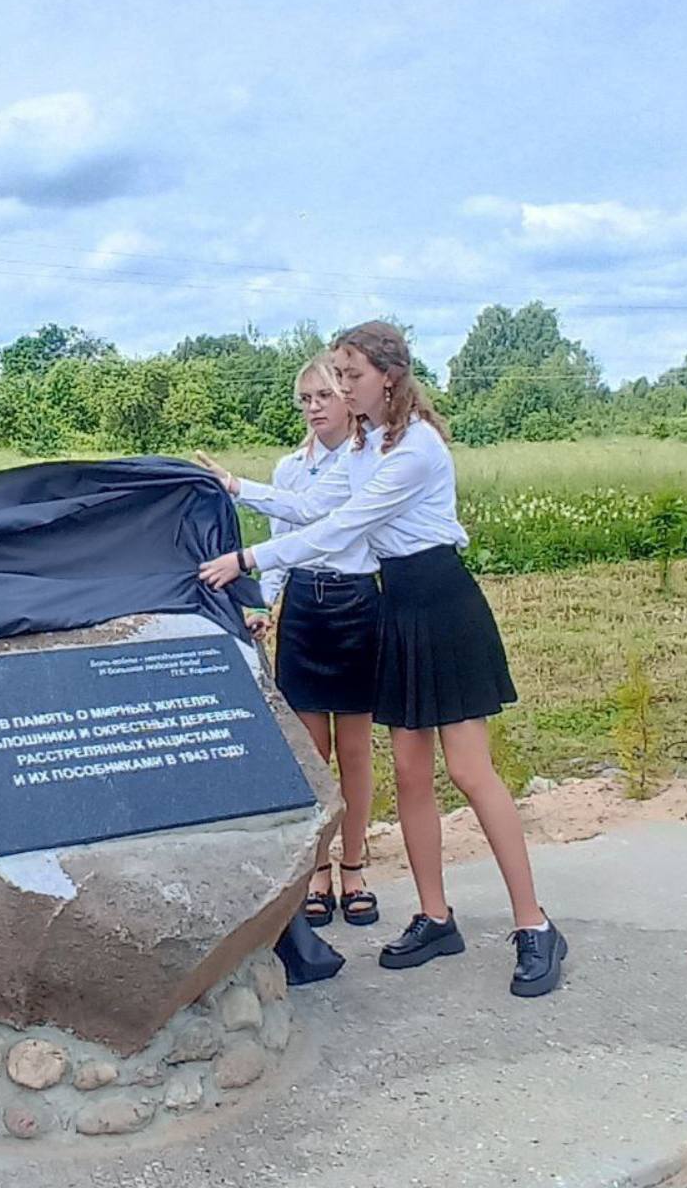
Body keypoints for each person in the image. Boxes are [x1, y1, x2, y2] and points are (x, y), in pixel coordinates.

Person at [199, 321, 566, 998]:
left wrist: (250, 559)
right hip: (395, 607)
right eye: (336, 376)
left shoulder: (416, 449)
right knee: (409, 771)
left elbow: (342, 528)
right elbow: (312, 504)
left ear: (388, 378)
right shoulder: (364, 446)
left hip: (444, 606)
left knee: (469, 770)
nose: (340, 388)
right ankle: (435, 916)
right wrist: (237, 488)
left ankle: (534, 925)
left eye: (351, 376)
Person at [233, 353, 380, 928]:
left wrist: (239, 486)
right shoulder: (291, 466)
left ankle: (355, 863)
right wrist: (267, 601)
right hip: (305, 610)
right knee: (312, 750)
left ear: (348, 398)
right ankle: (317, 868)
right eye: (306, 399)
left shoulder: (371, 461)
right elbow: (284, 538)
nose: (315, 408)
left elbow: (318, 518)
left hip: (354, 603)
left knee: (356, 750)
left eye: (324, 396)